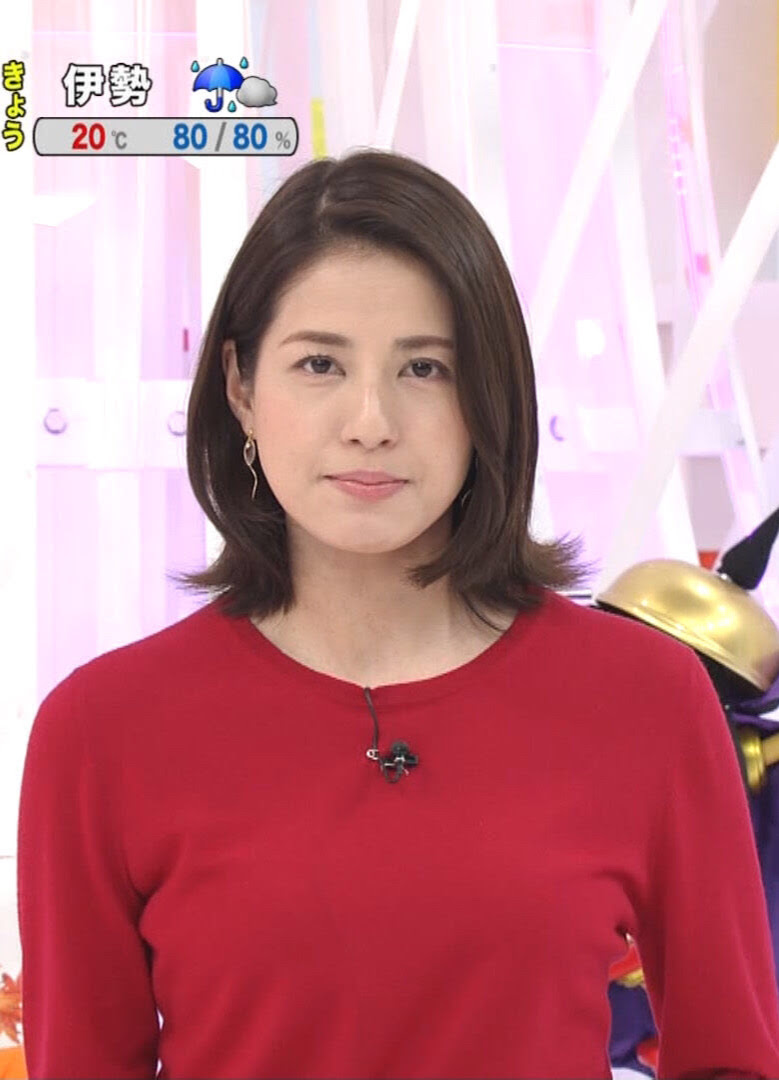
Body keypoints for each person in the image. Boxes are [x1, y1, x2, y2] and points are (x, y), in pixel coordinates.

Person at [16, 148, 779, 1080]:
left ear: (487, 395)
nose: (370, 420)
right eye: (319, 364)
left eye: (423, 367)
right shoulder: (101, 731)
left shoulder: (646, 698)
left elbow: (730, 1060)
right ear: (240, 387)